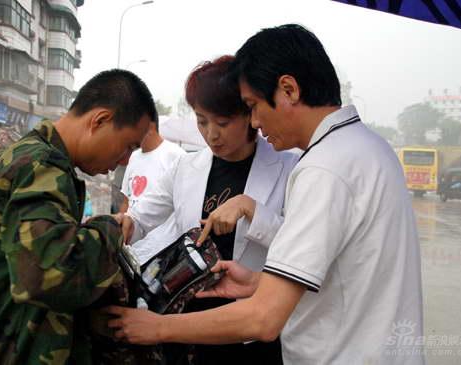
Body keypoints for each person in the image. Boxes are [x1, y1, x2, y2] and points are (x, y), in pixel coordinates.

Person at [108, 24, 425, 365]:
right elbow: (343, 272)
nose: (256, 121)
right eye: (203, 121)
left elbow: (263, 319)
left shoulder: (323, 168)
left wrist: (158, 328)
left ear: (288, 89)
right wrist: (259, 282)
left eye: (253, 106)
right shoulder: (368, 148)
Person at [0, 69, 156, 364]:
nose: (126, 160)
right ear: (100, 120)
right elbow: (46, 272)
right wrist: (109, 230)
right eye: (129, 145)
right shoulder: (40, 165)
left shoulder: (33, 157)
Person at [117, 55, 299, 364]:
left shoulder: (289, 168)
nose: (211, 134)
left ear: (250, 114)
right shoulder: (186, 166)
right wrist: (123, 223)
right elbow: (143, 215)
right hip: (183, 323)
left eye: (223, 123)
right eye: (202, 121)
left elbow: (303, 247)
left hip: (248, 332)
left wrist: (253, 210)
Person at [120, 116, 186, 262]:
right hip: (132, 244)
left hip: (160, 252)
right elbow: (126, 200)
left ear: (148, 126)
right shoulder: (133, 157)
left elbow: (180, 209)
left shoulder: (177, 156)